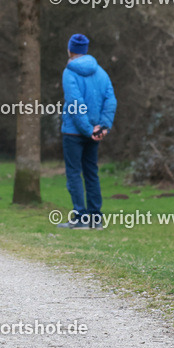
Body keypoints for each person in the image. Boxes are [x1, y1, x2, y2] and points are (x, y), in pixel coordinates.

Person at [56, 33, 117, 230]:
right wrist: (103, 127)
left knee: (74, 174)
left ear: (69, 49)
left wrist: (86, 129)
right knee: (92, 173)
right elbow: (111, 100)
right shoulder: (101, 72)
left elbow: (75, 103)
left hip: (74, 132)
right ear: (85, 50)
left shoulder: (69, 72)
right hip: (96, 131)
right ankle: (95, 219)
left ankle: (81, 217)